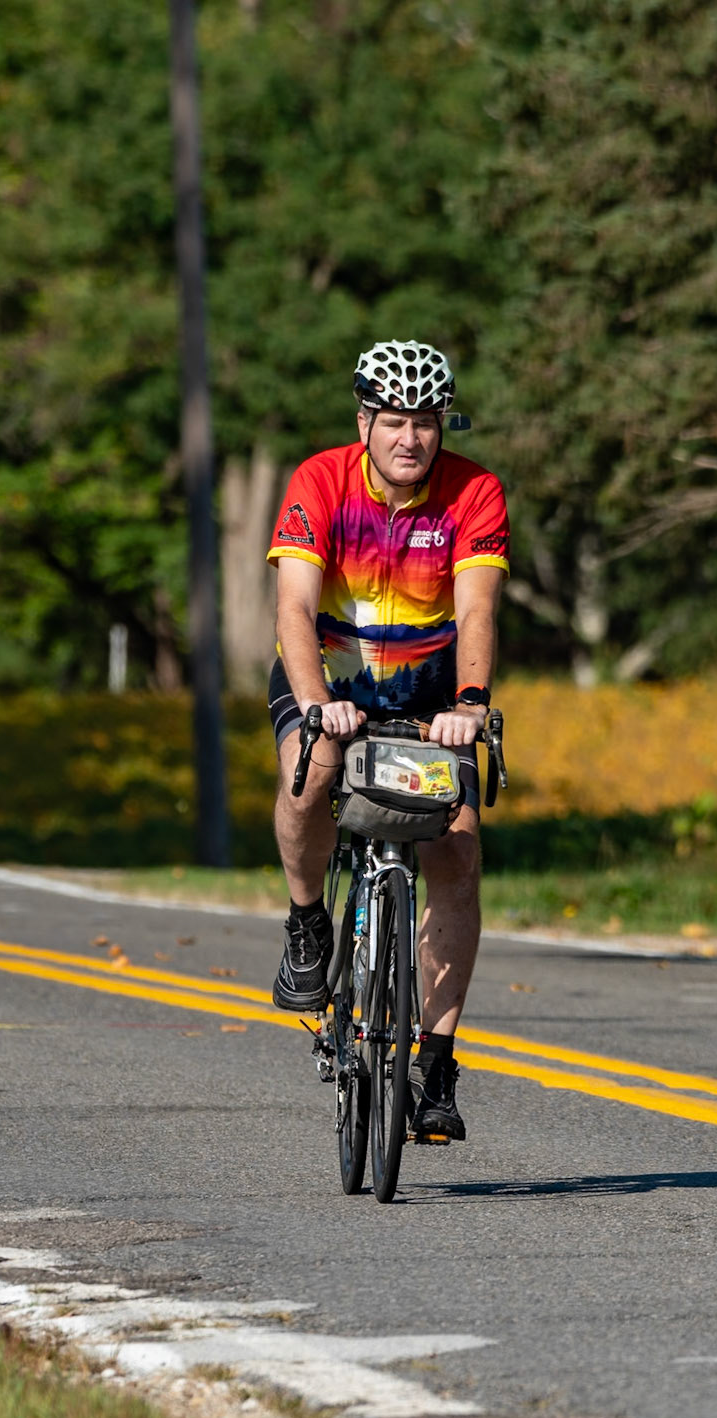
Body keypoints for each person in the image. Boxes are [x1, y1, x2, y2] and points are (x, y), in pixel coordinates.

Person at [265, 339, 510, 1143]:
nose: (411, 438)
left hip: (431, 695)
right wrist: (314, 700)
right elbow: (293, 607)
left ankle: (433, 1063)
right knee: (310, 773)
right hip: (330, 678)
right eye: (395, 421)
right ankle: (308, 921)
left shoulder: (472, 491)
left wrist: (469, 702)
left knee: (457, 848)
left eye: (426, 422)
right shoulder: (320, 481)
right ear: (364, 422)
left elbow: (476, 608)